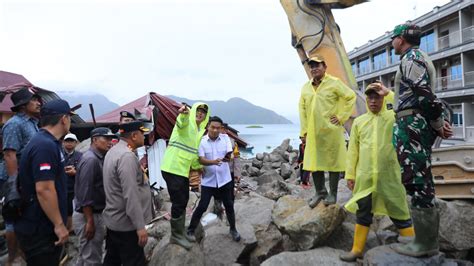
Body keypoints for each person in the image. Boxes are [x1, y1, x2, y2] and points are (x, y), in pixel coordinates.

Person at [386, 24, 453, 257]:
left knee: (419, 182)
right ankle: (422, 240)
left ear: (401, 39)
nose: (392, 42)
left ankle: (426, 244)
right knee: (415, 181)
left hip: (412, 125)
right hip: (410, 123)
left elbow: (425, 94)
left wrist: (437, 123)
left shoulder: (411, 58)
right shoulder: (413, 57)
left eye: (393, 38)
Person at [339, 83, 414, 262]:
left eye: (377, 97)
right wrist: (350, 175)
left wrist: (387, 93)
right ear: (366, 100)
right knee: (363, 211)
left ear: (382, 99)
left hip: (389, 176)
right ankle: (357, 250)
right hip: (365, 176)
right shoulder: (359, 121)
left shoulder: (392, 117)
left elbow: (406, 106)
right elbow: (353, 151)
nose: (373, 101)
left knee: (399, 210)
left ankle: (414, 245)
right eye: (370, 97)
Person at [15, 99, 74, 266]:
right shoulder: (44, 145)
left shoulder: (47, 142)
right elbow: (44, 189)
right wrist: (59, 224)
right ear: (64, 119)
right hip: (40, 229)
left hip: (40, 226)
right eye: (69, 117)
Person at [299, 55, 356, 207]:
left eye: (317, 65)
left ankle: (333, 194)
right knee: (314, 162)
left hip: (331, 130)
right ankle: (320, 192)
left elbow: (351, 96)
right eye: (311, 66)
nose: (314, 68)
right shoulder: (306, 87)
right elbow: (302, 110)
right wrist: (303, 132)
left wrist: (342, 117)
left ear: (324, 67)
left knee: (333, 162)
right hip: (313, 132)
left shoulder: (334, 83)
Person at [160, 103, 210, 250]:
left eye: (203, 113)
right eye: (198, 111)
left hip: (181, 169)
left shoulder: (199, 131)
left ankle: (180, 232)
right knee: (179, 201)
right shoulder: (187, 123)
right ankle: (175, 236)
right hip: (172, 167)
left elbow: (193, 153)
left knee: (184, 199)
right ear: (193, 111)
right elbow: (181, 123)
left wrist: (198, 167)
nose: (200, 114)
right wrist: (183, 114)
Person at [102, 121, 152, 266]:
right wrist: (140, 226)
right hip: (126, 224)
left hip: (114, 220)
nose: (145, 136)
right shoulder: (126, 157)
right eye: (143, 133)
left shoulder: (114, 150)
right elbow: (131, 194)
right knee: (134, 261)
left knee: (113, 259)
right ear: (135, 136)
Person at [1, 87, 42, 265]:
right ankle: (12, 258)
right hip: (14, 178)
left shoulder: (32, 123)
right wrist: (13, 184)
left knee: (24, 215)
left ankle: (23, 253)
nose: (38, 103)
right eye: (34, 100)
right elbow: (10, 154)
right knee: (13, 216)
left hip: (26, 177)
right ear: (23, 105)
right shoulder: (14, 124)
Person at [186, 116, 240, 242]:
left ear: (221, 129)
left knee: (229, 205)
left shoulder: (226, 138)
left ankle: (233, 229)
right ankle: (190, 229)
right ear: (208, 127)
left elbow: (229, 154)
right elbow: (201, 159)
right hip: (208, 181)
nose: (215, 130)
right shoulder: (202, 141)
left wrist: (229, 157)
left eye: (218, 128)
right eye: (213, 127)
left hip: (224, 179)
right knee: (202, 206)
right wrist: (213, 162)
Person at [73, 127, 116, 266]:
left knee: (84, 256)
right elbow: (85, 193)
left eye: (111, 139)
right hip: (88, 215)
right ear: (95, 140)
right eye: (106, 139)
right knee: (92, 259)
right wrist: (90, 220)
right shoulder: (91, 160)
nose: (110, 142)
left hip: (91, 213)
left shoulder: (99, 157)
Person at [62, 133, 82, 232]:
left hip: (74, 186)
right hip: (61, 186)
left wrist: (75, 172)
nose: (69, 143)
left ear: (75, 143)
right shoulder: (59, 154)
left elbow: (84, 171)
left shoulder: (80, 155)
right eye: (67, 141)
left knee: (72, 208)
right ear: (63, 142)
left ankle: (71, 228)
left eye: (71, 141)